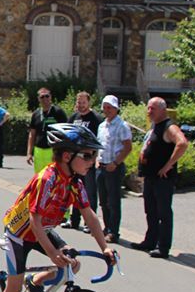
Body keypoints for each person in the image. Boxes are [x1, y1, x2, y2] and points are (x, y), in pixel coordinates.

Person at [0, 123, 116, 292]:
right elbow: (34, 222)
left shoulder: (75, 182)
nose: (93, 160)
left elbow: (89, 215)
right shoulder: (47, 179)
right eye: (88, 155)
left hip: (42, 231)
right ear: (67, 156)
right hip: (20, 233)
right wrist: (52, 253)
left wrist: (105, 248)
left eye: (95, 155)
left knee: (73, 264)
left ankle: (36, 282)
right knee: (13, 287)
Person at [130, 97, 188, 259]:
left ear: (163, 110)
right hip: (151, 177)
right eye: (148, 108)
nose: (149, 112)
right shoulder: (156, 126)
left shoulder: (169, 127)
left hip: (162, 179)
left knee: (163, 213)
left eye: (153, 109)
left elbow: (182, 143)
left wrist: (168, 165)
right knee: (151, 211)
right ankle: (150, 241)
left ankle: (163, 247)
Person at [96, 95, 132, 244]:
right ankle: (107, 227)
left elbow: (128, 147)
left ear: (116, 108)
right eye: (104, 107)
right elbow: (99, 145)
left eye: (109, 107)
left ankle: (113, 232)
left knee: (113, 201)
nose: (106, 110)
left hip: (113, 167)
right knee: (103, 201)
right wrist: (97, 160)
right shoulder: (102, 125)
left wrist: (116, 163)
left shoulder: (122, 125)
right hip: (101, 166)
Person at [63, 92, 101, 231]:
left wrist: (93, 159)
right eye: (78, 102)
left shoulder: (96, 119)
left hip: (88, 162)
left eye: (83, 102)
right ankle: (74, 220)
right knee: (74, 191)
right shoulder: (73, 117)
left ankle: (89, 223)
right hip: (73, 162)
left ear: (89, 103)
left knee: (89, 192)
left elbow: (99, 141)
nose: (80, 105)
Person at [27, 87, 67, 173]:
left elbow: (65, 132)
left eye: (47, 96)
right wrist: (29, 153)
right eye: (42, 97)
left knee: (53, 177)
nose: (45, 99)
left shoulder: (58, 112)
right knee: (39, 178)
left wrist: (60, 151)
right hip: (38, 150)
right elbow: (32, 134)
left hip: (52, 150)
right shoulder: (36, 113)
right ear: (38, 99)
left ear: (51, 97)